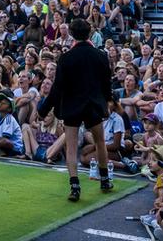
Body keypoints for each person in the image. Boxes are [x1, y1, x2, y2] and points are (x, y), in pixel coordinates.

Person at [37, 17, 114, 201]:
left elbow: (57, 88)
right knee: (100, 142)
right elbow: (106, 85)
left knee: (71, 148)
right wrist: (107, 103)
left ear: (71, 34)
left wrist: (43, 109)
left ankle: (75, 187)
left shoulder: (66, 58)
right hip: (94, 105)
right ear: (89, 33)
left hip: (72, 106)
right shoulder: (100, 56)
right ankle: (104, 179)